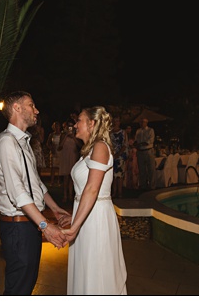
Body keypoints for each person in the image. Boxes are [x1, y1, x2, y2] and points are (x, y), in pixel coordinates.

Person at [0, 91, 72, 295]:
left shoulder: (24, 142)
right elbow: (17, 192)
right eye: (31, 105)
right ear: (17, 108)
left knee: (26, 286)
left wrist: (55, 209)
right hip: (17, 227)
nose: (36, 110)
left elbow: (36, 184)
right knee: (18, 289)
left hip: (29, 225)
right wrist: (45, 226)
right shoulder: (6, 142)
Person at [61, 106, 128, 294]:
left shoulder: (100, 147)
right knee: (85, 268)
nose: (75, 125)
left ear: (92, 124)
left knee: (96, 271)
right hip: (87, 217)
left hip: (96, 218)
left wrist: (73, 228)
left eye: (79, 120)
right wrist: (75, 218)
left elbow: (92, 189)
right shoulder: (88, 150)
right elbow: (84, 191)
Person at [57, 122, 80, 204]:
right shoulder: (63, 135)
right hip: (65, 157)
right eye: (68, 126)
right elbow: (59, 147)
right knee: (66, 177)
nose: (70, 128)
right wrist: (66, 135)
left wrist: (73, 137)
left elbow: (79, 146)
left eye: (71, 126)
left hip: (73, 157)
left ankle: (71, 195)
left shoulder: (77, 135)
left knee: (72, 178)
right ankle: (65, 195)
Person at [134, 118, 155, 191]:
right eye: (141, 122)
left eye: (143, 122)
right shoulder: (138, 131)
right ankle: (143, 185)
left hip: (148, 150)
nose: (141, 123)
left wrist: (140, 144)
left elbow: (149, 141)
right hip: (140, 151)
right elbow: (136, 140)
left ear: (146, 122)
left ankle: (152, 185)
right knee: (142, 169)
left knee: (151, 169)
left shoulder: (150, 130)